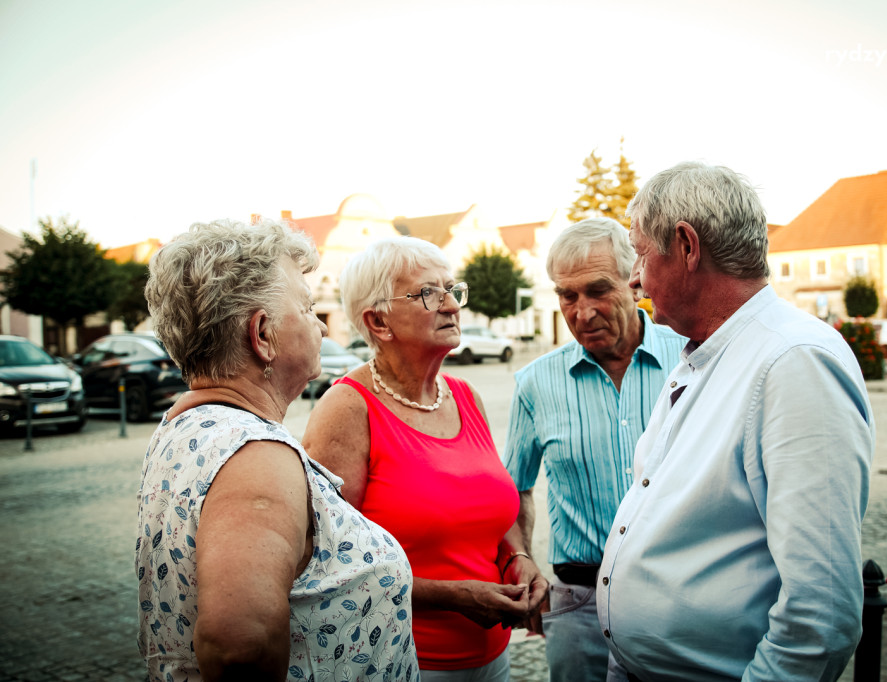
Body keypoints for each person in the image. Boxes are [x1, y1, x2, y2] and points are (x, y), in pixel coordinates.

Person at [597, 162, 875, 681]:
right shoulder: (706, 354)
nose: (633, 277)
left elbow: (821, 615)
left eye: (639, 252)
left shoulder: (793, 361)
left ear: (686, 246)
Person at [136, 219, 418, 681]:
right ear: (262, 335)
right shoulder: (256, 456)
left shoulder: (184, 425)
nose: (322, 327)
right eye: (307, 309)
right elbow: (238, 649)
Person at [302, 236, 547, 681]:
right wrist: (455, 597)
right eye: (429, 293)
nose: (452, 305)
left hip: (492, 658)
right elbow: (328, 563)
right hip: (402, 659)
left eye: (453, 289)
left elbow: (496, 503)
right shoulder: (347, 408)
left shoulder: (464, 396)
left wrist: (519, 557)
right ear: (378, 321)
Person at [502, 217, 687, 681]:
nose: (581, 313)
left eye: (598, 290)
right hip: (577, 604)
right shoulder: (535, 383)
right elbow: (514, 490)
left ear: (635, 282)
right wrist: (521, 559)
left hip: (680, 597)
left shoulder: (692, 358)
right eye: (567, 296)